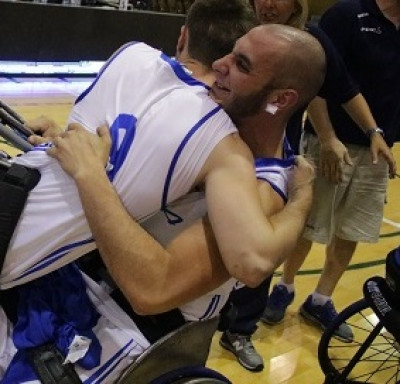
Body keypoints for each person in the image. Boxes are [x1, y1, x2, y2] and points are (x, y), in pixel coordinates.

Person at [0, 2, 326, 382]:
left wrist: (90, 176)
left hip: (130, 329)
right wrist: (66, 143)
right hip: (82, 286)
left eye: (242, 64)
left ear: (281, 99)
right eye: (231, 52)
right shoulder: (208, 128)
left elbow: (151, 289)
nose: (220, 63)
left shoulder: (262, 190)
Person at [218, 0, 397, 371]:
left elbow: (341, 87)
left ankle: (241, 327)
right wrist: (330, 138)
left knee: (265, 242)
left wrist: (374, 130)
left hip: (270, 160)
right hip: (218, 149)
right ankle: (206, 316)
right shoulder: (230, 25)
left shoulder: (309, 41)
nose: (269, 3)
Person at [264, 0, 399, 344]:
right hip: (331, 145)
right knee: (308, 227)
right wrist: (326, 138)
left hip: (377, 150)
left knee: (351, 231)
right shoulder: (348, 15)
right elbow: (317, 80)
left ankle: (321, 300)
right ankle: (285, 286)